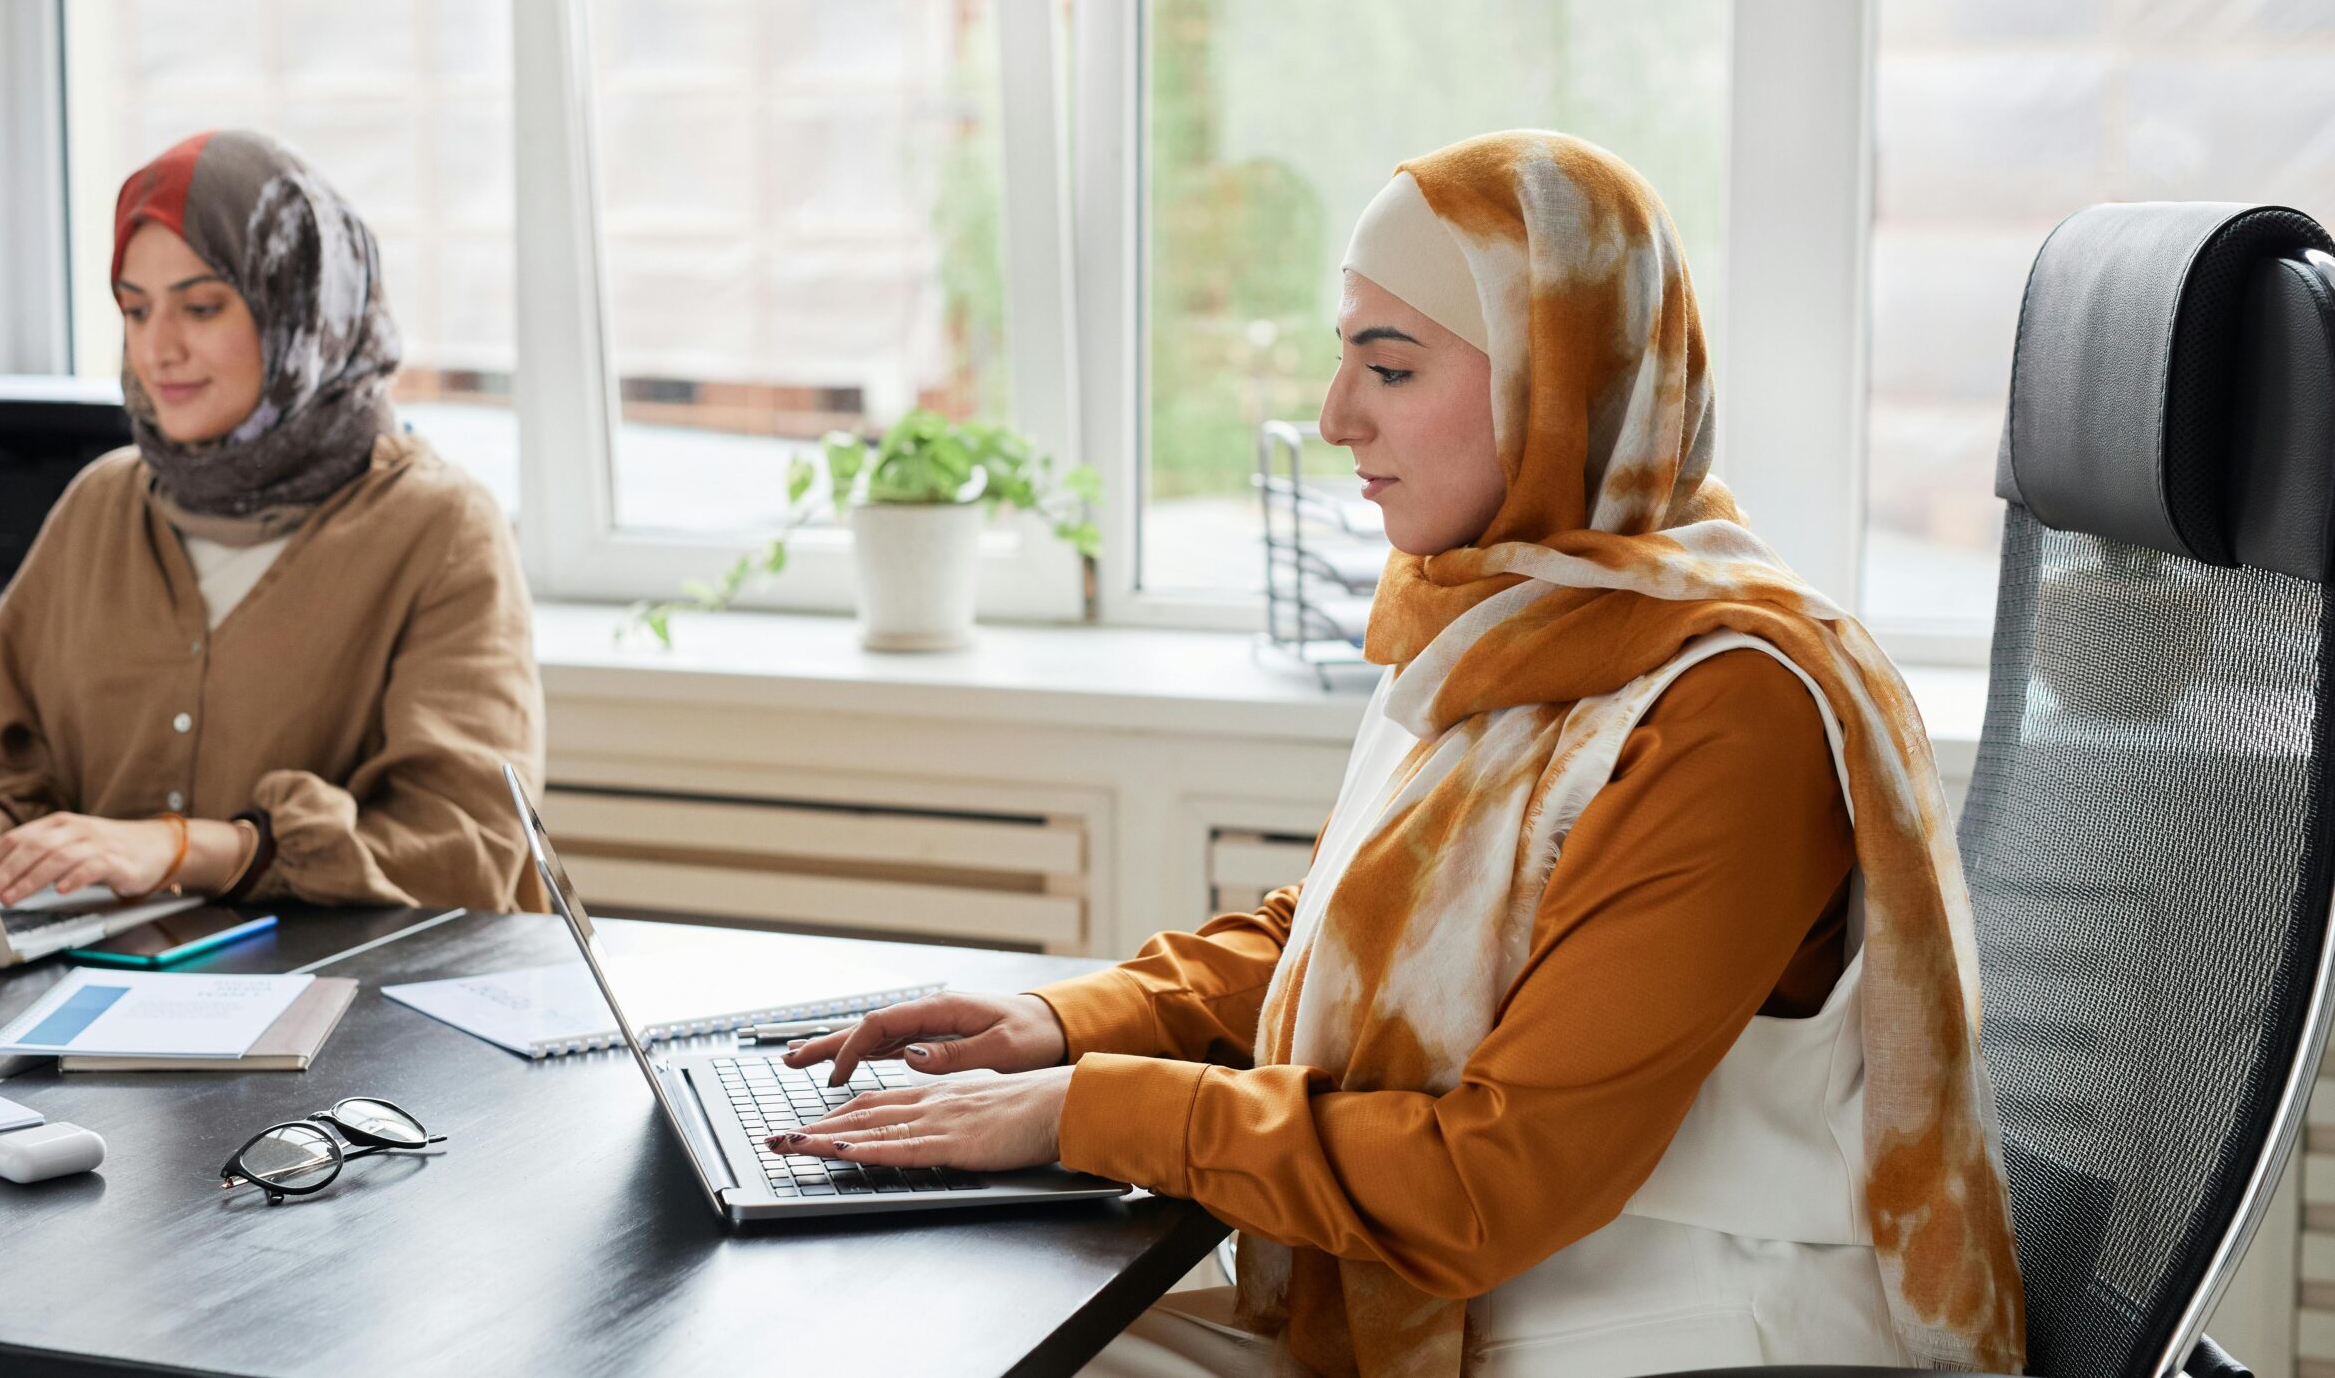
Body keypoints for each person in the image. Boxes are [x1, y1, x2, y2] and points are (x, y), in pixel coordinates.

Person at [774, 131, 2025, 1377]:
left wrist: (1084, 1113)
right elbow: (1331, 930)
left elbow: (1489, 1182)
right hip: (1516, 1298)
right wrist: (1061, 1025)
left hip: (1669, 1332)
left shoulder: (1732, 709)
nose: (1334, 418)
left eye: (1392, 367)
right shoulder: (1508, 614)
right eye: (1343, 361)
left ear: (1559, 383)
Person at [0, 129, 545, 913]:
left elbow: (469, 845)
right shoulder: (98, 506)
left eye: (200, 306)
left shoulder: (442, 526)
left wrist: (186, 847)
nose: (158, 349)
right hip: (101, 986)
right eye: (134, 309)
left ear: (299, 306)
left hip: (362, 1000)